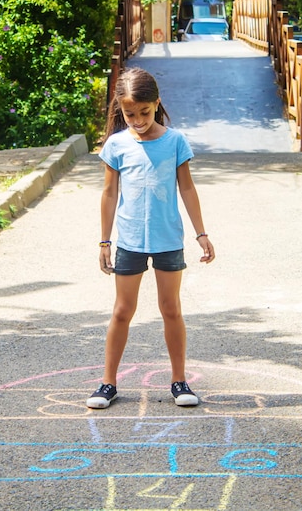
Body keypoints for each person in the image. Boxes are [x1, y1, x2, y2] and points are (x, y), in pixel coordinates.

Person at [87, 67, 215, 409]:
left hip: (168, 240)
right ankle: (107, 383)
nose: (138, 120)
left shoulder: (175, 141)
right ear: (120, 109)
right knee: (121, 311)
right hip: (129, 240)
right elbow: (109, 194)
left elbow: (186, 188)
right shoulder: (116, 144)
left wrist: (200, 232)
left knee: (171, 308)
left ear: (156, 104)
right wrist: (104, 241)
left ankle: (179, 381)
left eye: (145, 112)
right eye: (130, 114)